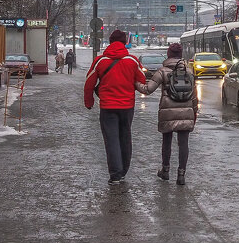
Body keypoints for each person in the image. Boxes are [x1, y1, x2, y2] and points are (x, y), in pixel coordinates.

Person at [83, 29, 146, 184]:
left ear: (110, 42)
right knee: (125, 137)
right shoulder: (132, 60)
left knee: (111, 139)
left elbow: (89, 84)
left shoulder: (100, 61)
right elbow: (142, 79)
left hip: (107, 107)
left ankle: (115, 174)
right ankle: (124, 170)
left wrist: (89, 102)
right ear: (125, 42)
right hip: (127, 106)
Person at [136, 43, 196, 186]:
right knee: (184, 144)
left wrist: (135, 83)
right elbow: (194, 96)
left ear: (168, 55)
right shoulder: (189, 72)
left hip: (167, 112)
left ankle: (165, 171)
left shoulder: (162, 71)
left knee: (167, 142)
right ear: (181, 55)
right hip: (186, 111)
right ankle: (181, 175)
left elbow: (147, 89)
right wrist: (194, 112)